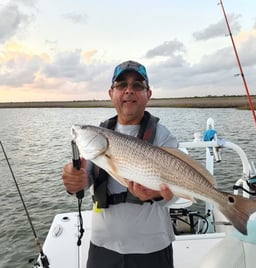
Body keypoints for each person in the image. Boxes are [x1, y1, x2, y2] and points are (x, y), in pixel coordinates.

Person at [62, 60, 178, 268]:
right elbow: (83, 180)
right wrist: (74, 180)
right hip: (103, 246)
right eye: (121, 85)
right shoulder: (96, 135)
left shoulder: (163, 136)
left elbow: (178, 191)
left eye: (137, 86)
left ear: (148, 94)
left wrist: (156, 194)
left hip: (152, 247)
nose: (129, 91)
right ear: (111, 93)